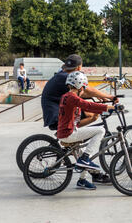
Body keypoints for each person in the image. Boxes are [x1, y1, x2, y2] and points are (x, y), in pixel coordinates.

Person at [41, 54, 116, 184]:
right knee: (92, 117)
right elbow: (87, 92)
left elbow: (83, 94)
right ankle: (81, 152)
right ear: (79, 67)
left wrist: (99, 101)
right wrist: (108, 100)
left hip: (55, 111)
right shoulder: (68, 78)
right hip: (55, 115)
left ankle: (90, 175)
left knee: (88, 121)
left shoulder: (64, 79)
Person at [57, 71, 115, 190]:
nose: (84, 90)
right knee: (100, 130)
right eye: (84, 87)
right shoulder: (72, 97)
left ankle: (82, 180)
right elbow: (87, 105)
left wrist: (99, 107)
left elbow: (86, 105)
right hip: (69, 133)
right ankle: (85, 158)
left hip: (69, 131)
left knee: (82, 155)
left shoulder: (67, 96)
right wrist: (110, 107)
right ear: (79, 86)